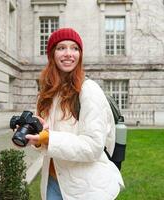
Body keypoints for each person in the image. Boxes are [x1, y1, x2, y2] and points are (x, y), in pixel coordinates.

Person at [25, 28, 124, 200]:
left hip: (86, 188)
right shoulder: (47, 94)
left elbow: (93, 146)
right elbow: (47, 141)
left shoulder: (89, 90)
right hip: (52, 184)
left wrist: (49, 138)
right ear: (52, 55)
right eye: (61, 48)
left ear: (80, 55)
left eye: (75, 48)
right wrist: (35, 138)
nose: (69, 54)